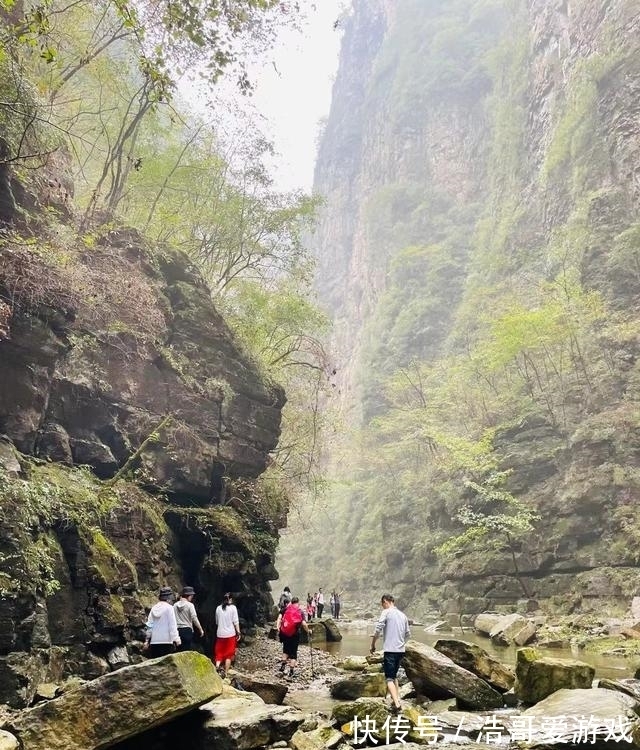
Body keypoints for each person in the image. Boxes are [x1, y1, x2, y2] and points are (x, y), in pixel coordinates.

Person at [369, 593, 410, 714]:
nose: (383, 607)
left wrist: (372, 644)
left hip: (390, 651)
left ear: (385, 602)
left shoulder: (386, 612)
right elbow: (408, 634)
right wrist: (401, 642)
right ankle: (396, 699)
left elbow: (378, 628)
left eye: (383, 605)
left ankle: (397, 704)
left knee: (389, 678)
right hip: (400, 651)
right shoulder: (403, 615)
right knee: (395, 675)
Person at [276, 596, 310, 679]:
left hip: (285, 633)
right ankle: (291, 672)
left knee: (285, 649)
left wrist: (278, 627)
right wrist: (308, 631)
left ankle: (283, 666)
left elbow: (279, 618)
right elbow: (304, 624)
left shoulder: (286, 609)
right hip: (295, 634)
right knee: (293, 653)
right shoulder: (300, 611)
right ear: (298, 602)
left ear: (291, 602)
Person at [143, 586, 181, 658]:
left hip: (154, 642)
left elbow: (149, 626)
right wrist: (176, 639)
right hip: (167, 642)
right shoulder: (169, 608)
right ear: (169, 598)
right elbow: (172, 625)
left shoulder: (153, 608)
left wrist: (147, 640)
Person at [214, 592, 241, 677]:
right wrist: (238, 632)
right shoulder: (233, 608)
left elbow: (217, 622)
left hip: (220, 634)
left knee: (219, 653)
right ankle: (225, 673)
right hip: (230, 634)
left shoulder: (218, 608)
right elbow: (236, 622)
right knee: (229, 654)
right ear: (231, 599)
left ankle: (217, 668)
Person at [174, 586, 204, 651]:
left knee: (178, 651)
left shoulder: (175, 605)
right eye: (192, 596)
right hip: (187, 630)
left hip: (177, 631)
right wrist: (200, 629)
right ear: (189, 596)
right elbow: (194, 618)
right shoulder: (190, 605)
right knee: (186, 651)